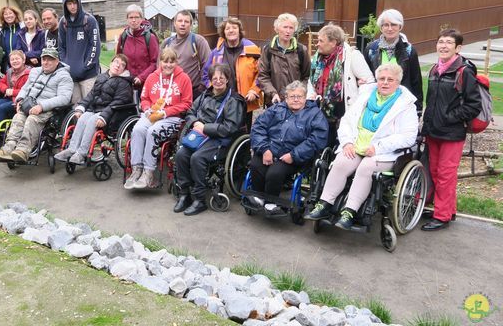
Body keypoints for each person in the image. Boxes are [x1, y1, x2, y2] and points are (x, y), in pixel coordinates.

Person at [304, 63, 418, 229]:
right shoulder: (365, 96)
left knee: (366, 168)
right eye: (381, 79)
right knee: (341, 163)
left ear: (398, 82)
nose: (385, 82)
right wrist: (347, 142)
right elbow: (347, 122)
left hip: (383, 152)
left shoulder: (406, 105)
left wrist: (379, 147)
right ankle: (324, 204)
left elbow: (408, 136)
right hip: (356, 145)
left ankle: (349, 211)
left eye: (390, 79)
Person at [420, 29, 481, 231]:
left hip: (451, 133)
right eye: (440, 42)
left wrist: (449, 118)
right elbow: (432, 102)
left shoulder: (464, 71)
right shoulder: (434, 69)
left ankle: (442, 216)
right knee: (436, 171)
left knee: (446, 174)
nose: (443, 46)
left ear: (458, 47)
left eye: (448, 42)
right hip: (433, 131)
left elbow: (473, 105)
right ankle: (447, 209)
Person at [173, 63, 246, 216]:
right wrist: (194, 123)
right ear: (211, 80)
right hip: (199, 136)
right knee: (181, 155)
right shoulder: (205, 94)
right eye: (215, 78)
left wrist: (205, 128)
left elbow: (230, 127)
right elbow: (190, 111)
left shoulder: (234, 100)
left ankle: (199, 200)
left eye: (222, 78)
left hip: (220, 140)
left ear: (228, 79)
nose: (218, 81)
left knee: (197, 158)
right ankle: (185, 193)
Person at [248, 81, 328, 215]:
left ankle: (270, 203)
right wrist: (265, 149)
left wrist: (294, 155)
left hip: (292, 156)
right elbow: (258, 127)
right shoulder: (276, 109)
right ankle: (258, 197)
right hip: (269, 149)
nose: (296, 99)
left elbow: (316, 140)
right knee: (256, 164)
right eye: (292, 96)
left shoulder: (314, 115)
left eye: (300, 96)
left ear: (305, 97)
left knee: (274, 172)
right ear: (286, 98)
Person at [124, 48, 193, 190]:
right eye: (165, 61)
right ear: (160, 62)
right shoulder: (152, 77)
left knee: (153, 131)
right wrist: (148, 109)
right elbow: (144, 99)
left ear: (176, 62)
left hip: (172, 118)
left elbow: (187, 103)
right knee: (137, 129)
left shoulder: (184, 78)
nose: (168, 65)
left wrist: (166, 112)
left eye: (171, 61)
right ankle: (136, 168)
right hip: (152, 115)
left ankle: (149, 172)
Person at [0, 47, 73, 162]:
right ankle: (8, 148)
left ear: (57, 61)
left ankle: (23, 150)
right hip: (29, 105)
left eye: (50, 59)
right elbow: (25, 88)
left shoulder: (64, 76)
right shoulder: (35, 71)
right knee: (18, 117)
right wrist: (19, 99)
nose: (46, 62)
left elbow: (64, 98)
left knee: (32, 120)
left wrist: (41, 106)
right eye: (44, 59)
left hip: (47, 109)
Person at [54, 54, 133, 165]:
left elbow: (118, 102)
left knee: (92, 121)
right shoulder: (101, 77)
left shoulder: (124, 83)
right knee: (83, 118)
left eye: (122, 65)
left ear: (124, 70)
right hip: (95, 110)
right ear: (111, 64)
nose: (118, 66)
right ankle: (71, 149)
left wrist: (104, 116)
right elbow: (91, 95)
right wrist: (81, 108)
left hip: (111, 114)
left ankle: (81, 153)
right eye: (116, 62)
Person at [307, 24, 375, 146]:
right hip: (320, 111)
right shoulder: (317, 58)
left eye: (321, 41)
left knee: (340, 145)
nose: (317, 44)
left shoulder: (352, 56)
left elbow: (369, 82)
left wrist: (359, 94)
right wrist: (311, 94)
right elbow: (311, 81)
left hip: (344, 111)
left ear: (333, 42)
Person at [202, 17, 260, 129]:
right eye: (227, 28)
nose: (231, 30)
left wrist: (254, 90)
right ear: (223, 32)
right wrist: (213, 88)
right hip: (221, 100)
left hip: (244, 100)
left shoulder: (252, 50)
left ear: (240, 31)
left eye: (234, 27)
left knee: (243, 133)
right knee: (223, 131)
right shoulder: (216, 52)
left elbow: (261, 74)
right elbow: (206, 74)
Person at [363, 9, 423, 114]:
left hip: (401, 105)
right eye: (386, 25)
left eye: (394, 24)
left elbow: (416, 81)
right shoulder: (371, 49)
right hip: (376, 103)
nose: (390, 28)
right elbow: (365, 78)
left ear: (400, 27)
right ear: (381, 28)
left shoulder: (409, 50)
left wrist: (418, 109)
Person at [58, 0, 100, 104]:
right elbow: (61, 47)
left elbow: (95, 46)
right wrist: (66, 65)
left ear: (79, 2)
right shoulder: (63, 22)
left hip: (88, 75)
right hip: (71, 76)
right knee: (76, 109)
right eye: (69, 3)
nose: (73, 6)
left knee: (90, 107)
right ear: (65, 5)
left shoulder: (89, 20)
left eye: (75, 2)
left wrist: (85, 66)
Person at [258, 13, 310, 106]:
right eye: (285, 27)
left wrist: (298, 94)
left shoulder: (301, 50)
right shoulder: (268, 50)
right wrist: (272, 93)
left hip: (296, 102)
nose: (288, 31)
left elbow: (306, 77)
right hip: (274, 101)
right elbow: (263, 76)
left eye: (291, 28)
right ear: (277, 29)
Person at [161, 10, 211, 99]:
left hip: (194, 91)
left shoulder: (198, 41)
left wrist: (203, 86)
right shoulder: (167, 43)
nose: (183, 24)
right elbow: (159, 67)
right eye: (180, 21)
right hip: (170, 92)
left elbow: (208, 65)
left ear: (191, 25)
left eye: (186, 21)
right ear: (174, 23)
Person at [116, 4, 159, 90]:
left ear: (142, 19)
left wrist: (141, 77)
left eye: (137, 17)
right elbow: (118, 59)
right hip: (127, 83)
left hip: (147, 83)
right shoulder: (123, 36)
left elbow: (155, 63)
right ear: (127, 19)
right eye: (131, 17)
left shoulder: (150, 38)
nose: (134, 20)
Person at [0, 6, 23, 73]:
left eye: (10, 13)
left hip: (21, 63)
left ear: (15, 14)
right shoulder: (1, 30)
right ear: (3, 17)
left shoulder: (22, 28)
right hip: (6, 64)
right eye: (5, 14)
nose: (8, 16)